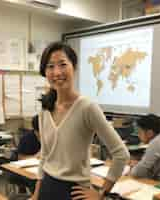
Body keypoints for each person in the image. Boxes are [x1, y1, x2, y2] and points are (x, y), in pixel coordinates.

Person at [32, 42, 130, 200]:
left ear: (74, 67)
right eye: (50, 66)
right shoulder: (45, 109)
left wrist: (101, 193)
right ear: (45, 71)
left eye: (63, 64)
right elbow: (45, 156)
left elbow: (121, 154)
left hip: (75, 192)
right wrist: (36, 194)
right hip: (47, 188)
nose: (57, 72)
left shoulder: (87, 108)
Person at [130, 114, 160, 181]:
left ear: (149, 133)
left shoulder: (155, 143)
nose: (138, 135)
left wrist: (132, 169)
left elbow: (137, 173)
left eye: (139, 132)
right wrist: (139, 164)